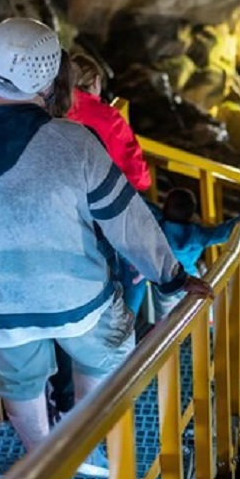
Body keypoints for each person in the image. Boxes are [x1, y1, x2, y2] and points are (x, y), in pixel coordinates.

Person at [0, 18, 211, 476]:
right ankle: (78, 440)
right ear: (49, 75)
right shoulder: (73, 141)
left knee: (18, 380)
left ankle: (42, 462)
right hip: (78, 297)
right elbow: (128, 219)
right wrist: (172, 275)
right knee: (110, 350)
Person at [67, 53, 153, 316]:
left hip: (63, 214)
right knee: (138, 267)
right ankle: (126, 324)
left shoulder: (51, 111)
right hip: (104, 215)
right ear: (94, 82)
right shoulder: (108, 117)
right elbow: (138, 177)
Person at [151, 188, 240, 319]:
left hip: (162, 274)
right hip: (189, 276)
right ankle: (207, 327)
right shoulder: (197, 235)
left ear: (165, 207)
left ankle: (164, 330)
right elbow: (223, 232)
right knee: (200, 302)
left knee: (165, 310)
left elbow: (144, 205)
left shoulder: (156, 225)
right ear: (192, 212)